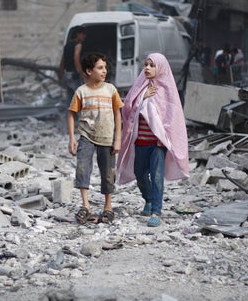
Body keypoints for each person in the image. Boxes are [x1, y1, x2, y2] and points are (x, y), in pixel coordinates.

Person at [116, 53, 189, 227]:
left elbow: (173, 117)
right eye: (146, 65)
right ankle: (148, 200)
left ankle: (156, 211)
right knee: (139, 173)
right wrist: (143, 97)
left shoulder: (167, 90)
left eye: (152, 65)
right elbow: (127, 109)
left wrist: (164, 139)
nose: (147, 68)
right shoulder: (140, 87)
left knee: (156, 177)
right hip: (140, 141)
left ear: (161, 68)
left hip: (157, 143)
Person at [67, 52, 124, 224]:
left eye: (105, 68)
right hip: (86, 136)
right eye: (100, 68)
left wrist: (118, 139)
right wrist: (71, 138)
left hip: (107, 138)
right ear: (89, 71)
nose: (104, 71)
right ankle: (86, 206)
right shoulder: (81, 92)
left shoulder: (111, 90)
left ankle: (108, 207)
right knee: (82, 169)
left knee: (107, 173)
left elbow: (118, 114)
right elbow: (71, 114)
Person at [59, 26, 87, 98]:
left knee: (70, 98)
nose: (84, 36)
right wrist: (82, 75)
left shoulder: (67, 46)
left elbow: (62, 62)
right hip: (74, 76)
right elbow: (76, 61)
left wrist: (61, 76)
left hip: (67, 74)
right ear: (78, 34)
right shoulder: (78, 45)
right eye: (83, 34)